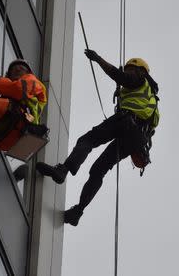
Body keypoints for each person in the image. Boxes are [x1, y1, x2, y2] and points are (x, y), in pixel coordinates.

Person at [36, 49, 160, 226]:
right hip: (135, 139)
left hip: (125, 121)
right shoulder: (151, 97)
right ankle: (77, 212)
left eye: (131, 69)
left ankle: (63, 170)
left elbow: (121, 77)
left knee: (87, 140)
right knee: (98, 171)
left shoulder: (140, 80)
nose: (127, 72)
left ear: (140, 71)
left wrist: (98, 59)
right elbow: (151, 124)